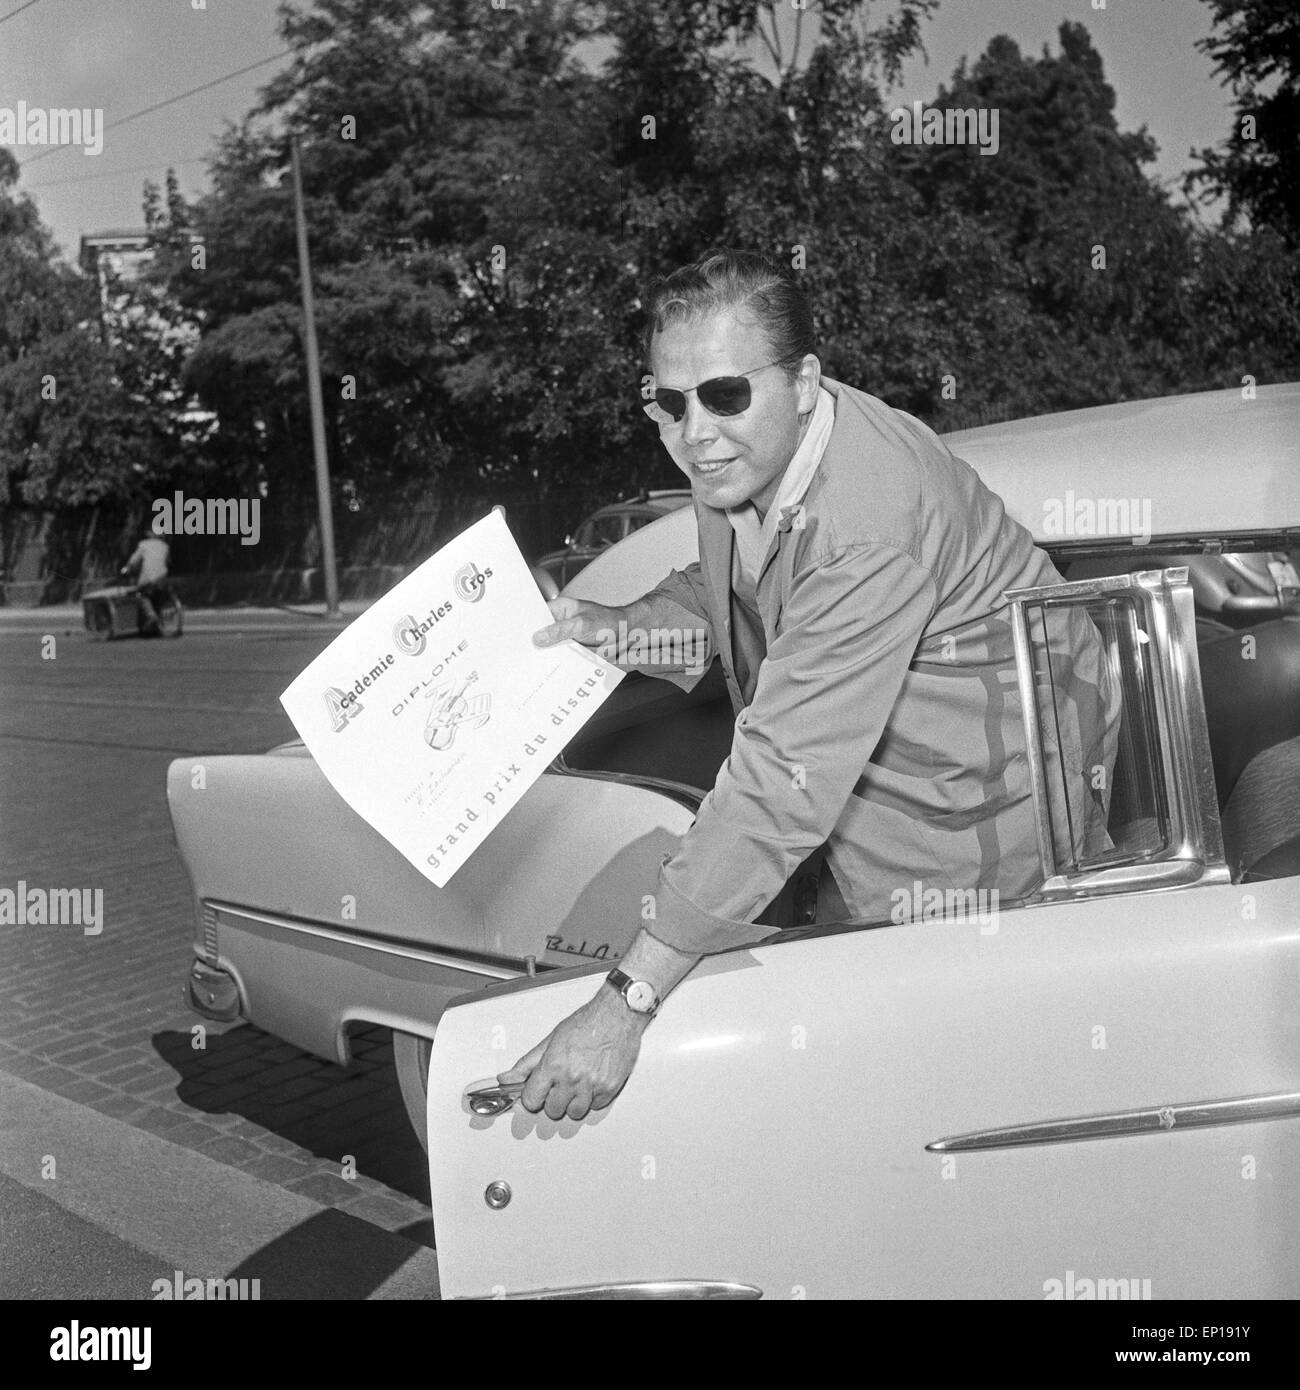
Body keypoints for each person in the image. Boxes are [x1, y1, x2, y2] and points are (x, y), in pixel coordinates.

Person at [500, 249, 1120, 1122]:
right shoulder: (756, 461)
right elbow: (740, 607)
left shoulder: (863, 523)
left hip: (976, 828)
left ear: (803, 381)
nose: (694, 432)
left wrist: (625, 1003)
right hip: (888, 801)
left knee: (941, 1108)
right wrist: (620, 626)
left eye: (723, 394)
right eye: (667, 403)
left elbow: (778, 785)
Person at [121, 529, 171, 634]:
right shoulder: (165, 546)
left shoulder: (143, 545)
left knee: (141, 595)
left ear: (150, 535)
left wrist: (127, 568)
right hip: (162, 578)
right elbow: (167, 561)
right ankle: (157, 624)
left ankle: (152, 616)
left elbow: (134, 560)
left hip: (148, 578)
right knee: (157, 597)